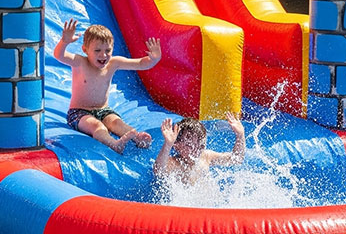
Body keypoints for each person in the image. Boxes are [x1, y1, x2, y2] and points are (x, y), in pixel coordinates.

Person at [53, 20, 159, 152]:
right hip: (79, 113)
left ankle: (137, 138)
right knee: (98, 126)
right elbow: (59, 55)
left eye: (107, 50)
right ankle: (114, 144)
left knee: (116, 122)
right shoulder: (80, 62)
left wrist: (153, 59)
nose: (103, 55)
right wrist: (65, 41)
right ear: (85, 49)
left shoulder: (114, 63)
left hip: (104, 110)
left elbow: (141, 64)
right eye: (97, 50)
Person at [153, 112, 245, 183]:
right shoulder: (173, 163)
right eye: (189, 145)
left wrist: (240, 135)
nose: (195, 149)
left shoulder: (206, 156)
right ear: (177, 146)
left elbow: (236, 159)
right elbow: (158, 171)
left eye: (200, 145)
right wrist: (168, 144)